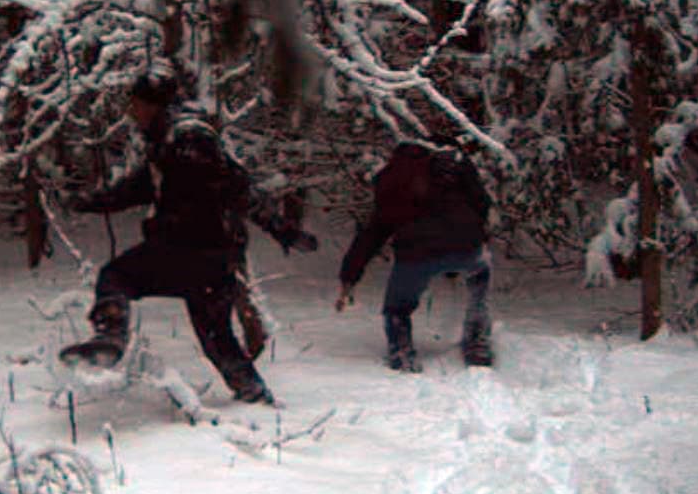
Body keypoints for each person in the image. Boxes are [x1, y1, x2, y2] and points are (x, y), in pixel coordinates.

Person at [60, 64, 317, 404]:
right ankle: (255, 396)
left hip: (190, 249)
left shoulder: (188, 139)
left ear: (153, 104)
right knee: (216, 336)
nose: (131, 113)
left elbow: (236, 187)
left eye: (135, 104)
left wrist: (280, 229)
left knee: (116, 276)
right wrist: (87, 202)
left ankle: (110, 339)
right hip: (213, 258)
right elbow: (138, 189)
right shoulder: (168, 142)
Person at [335, 136, 494, 372]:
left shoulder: (392, 178)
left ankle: (402, 354)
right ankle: (477, 342)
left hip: (416, 254)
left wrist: (349, 278)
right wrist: (473, 234)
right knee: (480, 276)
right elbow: (482, 203)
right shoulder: (454, 164)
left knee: (397, 308)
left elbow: (373, 233)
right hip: (467, 246)